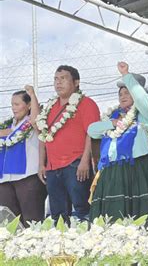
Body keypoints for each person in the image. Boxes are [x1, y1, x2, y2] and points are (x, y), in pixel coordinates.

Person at [88, 62, 148, 223]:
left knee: (144, 215)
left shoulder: (144, 113)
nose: (122, 96)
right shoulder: (112, 116)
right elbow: (92, 130)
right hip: (114, 172)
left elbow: (143, 101)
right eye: (120, 93)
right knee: (114, 216)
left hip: (140, 169)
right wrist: (113, 123)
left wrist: (126, 75)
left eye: (127, 92)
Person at [37, 65, 100, 222]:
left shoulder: (86, 103)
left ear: (76, 82)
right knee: (57, 215)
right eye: (56, 79)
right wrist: (41, 164)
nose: (58, 83)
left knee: (82, 210)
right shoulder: (50, 107)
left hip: (76, 165)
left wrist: (85, 161)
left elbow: (91, 134)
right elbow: (42, 135)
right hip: (52, 168)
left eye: (63, 78)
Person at [0, 87, 47, 226]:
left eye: (17, 104)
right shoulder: (8, 125)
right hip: (5, 179)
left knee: (31, 219)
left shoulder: (30, 123)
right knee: (9, 221)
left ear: (28, 105)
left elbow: (36, 119)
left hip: (27, 177)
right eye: (12, 104)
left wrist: (32, 94)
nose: (13, 108)